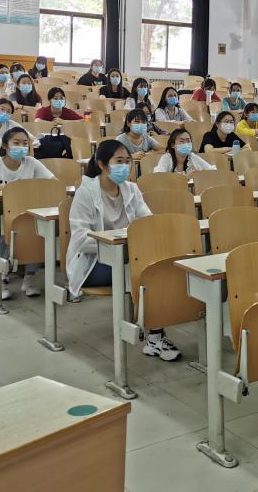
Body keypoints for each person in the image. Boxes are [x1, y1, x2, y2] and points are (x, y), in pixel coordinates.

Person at [67, 140, 179, 360]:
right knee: (145, 273)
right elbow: (80, 239)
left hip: (128, 257)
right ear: (102, 164)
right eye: (119, 161)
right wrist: (118, 243)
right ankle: (154, 335)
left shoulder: (131, 189)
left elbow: (148, 223)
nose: (125, 166)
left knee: (157, 268)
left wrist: (135, 242)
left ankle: (152, 330)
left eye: (128, 161)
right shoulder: (86, 192)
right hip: (94, 263)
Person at [0, 128, 55, 298]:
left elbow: (54, 183)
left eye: (25, 144)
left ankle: (30, 278)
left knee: (38, 232)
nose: (21, 147)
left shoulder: (32, 162)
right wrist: (5, 188)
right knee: (3, 235)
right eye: (16, 143)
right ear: (5, 146)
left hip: (21, 216)